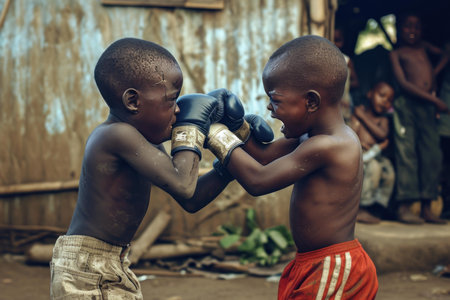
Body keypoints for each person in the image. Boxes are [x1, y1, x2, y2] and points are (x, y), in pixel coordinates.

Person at [49, 37, 273, 299]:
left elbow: (191, 198)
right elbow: (183, 183)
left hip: (112, 262)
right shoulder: (116, 135)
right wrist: (192, 126)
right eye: (171, 99)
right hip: (87, 267)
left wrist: (228, 163)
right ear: (133, 101)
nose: (178, 109)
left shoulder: (142, 140)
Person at [204, 35, 378, 299]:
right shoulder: (309, 137)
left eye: (276, 100)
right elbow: (263, 157)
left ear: (311, 102)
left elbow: (258, 180)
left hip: (331, 266)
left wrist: (216, 134)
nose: (269, 108)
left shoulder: (331, 145)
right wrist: (236, 126)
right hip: (312, 262)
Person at [389, 12, 449, 224]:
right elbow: (404, 84)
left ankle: (426, 208)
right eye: (407, 26)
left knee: (431, 154)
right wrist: (435, 101)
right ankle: (405, 206)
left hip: (427, 108)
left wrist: (436, 70)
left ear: (422, 30)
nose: (412, 31)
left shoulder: (424, 47)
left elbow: (444, 53)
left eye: (416, 26)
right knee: (407, 153)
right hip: (407, 105)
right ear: (400, 29)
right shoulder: (396, 54)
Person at [350, 81, 396, 224]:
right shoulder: (357, 113)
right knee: (373, 169)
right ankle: (362, 207)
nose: (385, 102)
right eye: (382, 95)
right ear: (370, 94)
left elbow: (382, 135)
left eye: (389, 100)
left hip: (376, 155)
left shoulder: (383, 120)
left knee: (389, 172)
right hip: (361, 155)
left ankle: (377, 206)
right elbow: (352, 133)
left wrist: (363, 117)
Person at [334, 26, 359, 123]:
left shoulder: (346, 61)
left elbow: (356, 82)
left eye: (338, 40)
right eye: (331, 39)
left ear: (343, 42)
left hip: (344, 103)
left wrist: (344, 85)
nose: (334, 44)